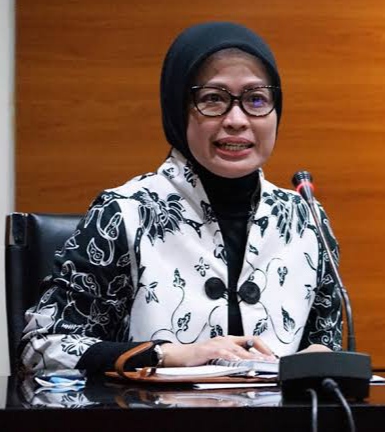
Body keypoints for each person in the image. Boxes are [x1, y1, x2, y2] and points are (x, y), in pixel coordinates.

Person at [20, 21, 342, 374]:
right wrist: (169, 354)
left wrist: (320, 356)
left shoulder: (304, 218)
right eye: (213, 99)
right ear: (177, 108)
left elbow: (325, 341)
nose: (237, 119)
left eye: (256, 99)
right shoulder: (126, 213)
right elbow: (44, 348)